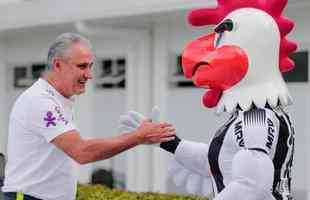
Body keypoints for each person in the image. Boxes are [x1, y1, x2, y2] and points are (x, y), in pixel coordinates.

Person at [2, 33, 176, 200]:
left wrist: (138, 137)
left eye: (90, 66)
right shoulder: (41, 101)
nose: (89, 75)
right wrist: (138, 137)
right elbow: (82, 151)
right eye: (82, 66)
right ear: (57, 65)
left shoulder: (57, 99)